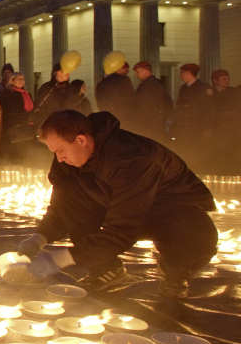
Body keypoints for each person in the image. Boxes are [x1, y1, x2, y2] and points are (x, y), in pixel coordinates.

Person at [18, 110, 217, 298]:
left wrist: (59, 260)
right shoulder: (67, 161)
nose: (59, 158)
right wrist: (40, 237)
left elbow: (123, 229)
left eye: (61, 150)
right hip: (118, 203)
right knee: (75, 209)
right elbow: (62, 206)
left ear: (81, 140)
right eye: (54, 152)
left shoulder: (133, 159)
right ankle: (107, 270)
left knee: (194, 235)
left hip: (170, 209)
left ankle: (176, 273)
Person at [170, 63, 214, 169]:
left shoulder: (203, 88)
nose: (181, 76)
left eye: (183, 73)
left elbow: (208, 110)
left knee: (197, 151)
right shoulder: (183, 88)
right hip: (184, 126)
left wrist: (207, 128)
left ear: (189, 74)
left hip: (197, 126)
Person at [0, 72, 36, 164]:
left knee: (25, 154)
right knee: (14, 155)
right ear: (13, 81)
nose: (21, 81)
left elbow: (31, 109)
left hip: (26, 129)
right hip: (13, 128)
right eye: (18, 79)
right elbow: (8, 111)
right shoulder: (8, 94)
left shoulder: (27, 94)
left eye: (22, 79)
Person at [131, 61, 172, 143]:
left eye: (138, 72)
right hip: (154, 124)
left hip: (150, 124)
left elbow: (145, 106)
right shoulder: (155, 84)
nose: (137, 75)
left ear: (145, 71)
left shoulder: (149, 85)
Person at [211, 69, 241, 172]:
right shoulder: (210, 94)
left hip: (231, 129)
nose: (227, 81)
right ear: (215, 81)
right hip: (216, 128)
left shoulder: (234, 92)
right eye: (224, 79)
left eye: (228, 79)